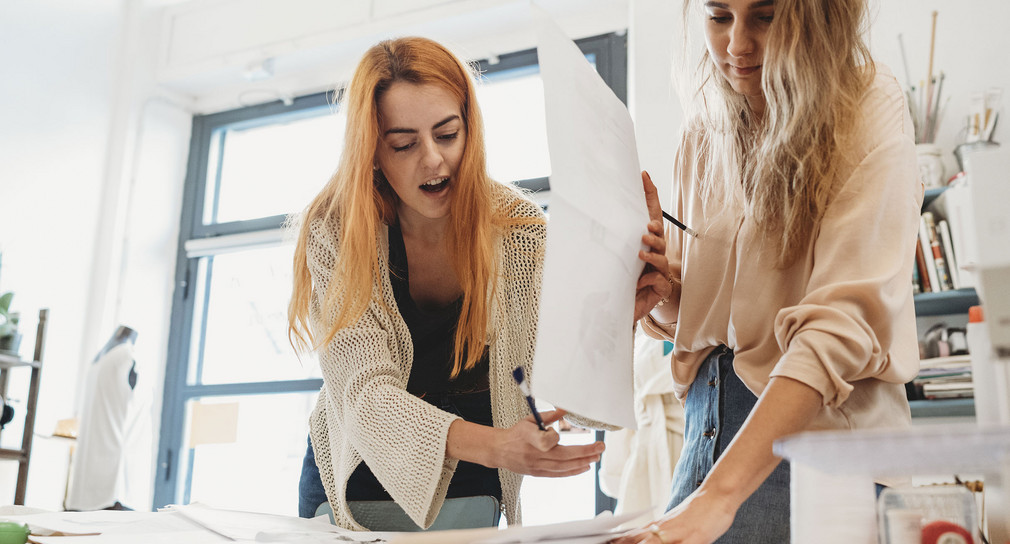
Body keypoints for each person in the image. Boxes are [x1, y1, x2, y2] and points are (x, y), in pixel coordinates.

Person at [287, 36, 670, 531]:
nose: (432, 160)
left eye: (447, 134)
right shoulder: (336, 230)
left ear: (471, 129)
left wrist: (620, 318)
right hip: (354, 475)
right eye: (403, 144)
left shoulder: (518, 229)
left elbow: (558, 381)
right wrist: (499, 446)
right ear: (373, 151)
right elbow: (364, 396)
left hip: (474, 481)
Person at [614, 0, 922, 542]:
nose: (736, 45)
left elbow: (841, 326)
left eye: (766, 16)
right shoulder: (703, 134)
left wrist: (718, 496)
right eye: (718, 16)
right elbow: (708, 322)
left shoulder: (867, 103)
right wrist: (661, 291)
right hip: (706, 441)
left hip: (818, 448)